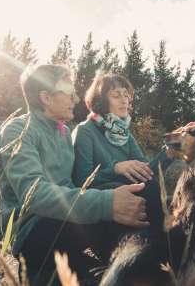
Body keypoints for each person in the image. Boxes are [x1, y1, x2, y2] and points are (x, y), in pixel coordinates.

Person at [0, 65, 149, 286]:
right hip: (34, 230)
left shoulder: (64, 132)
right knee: (108, 211)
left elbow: (75, 185)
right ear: (46, 97)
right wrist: (108, 202)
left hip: (66, 224)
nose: (76, 99)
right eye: (69, 93)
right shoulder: (17, 130)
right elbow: (35, 195)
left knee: (130, 220)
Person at [71, 74, 174, 258]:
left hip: (134, 199)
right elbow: (81, 181)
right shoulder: (85, 131)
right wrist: (116, 167)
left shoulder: (124, 134)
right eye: (116, 95)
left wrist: (171, 149)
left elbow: (146, 170)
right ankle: (165, 254)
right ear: (101, 100)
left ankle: (167, 255)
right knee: (149, 190)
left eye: (126, 95)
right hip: (107, 209)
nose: (124, 100)